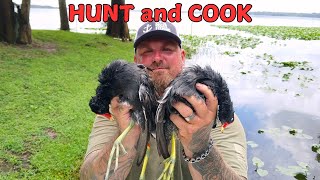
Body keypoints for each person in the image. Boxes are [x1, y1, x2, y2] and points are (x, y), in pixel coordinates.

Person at [80, 21, 248, 180]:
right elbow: (88, 176)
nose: (157, 58)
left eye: (167, 49)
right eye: (147, 51)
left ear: (182, 57)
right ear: (135, 61)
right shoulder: (117, 109)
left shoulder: (213, 110)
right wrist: (126, 134)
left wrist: (199, 146)